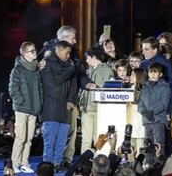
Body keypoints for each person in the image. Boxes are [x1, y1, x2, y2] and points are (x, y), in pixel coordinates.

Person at [40, 40, 77, 168]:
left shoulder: (69, 65)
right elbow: (54, 82)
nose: (68, 56)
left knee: (61, 141)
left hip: (65, 109)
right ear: (59, 50)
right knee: (50, 141)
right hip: (51, 108)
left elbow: (73, 84)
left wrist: (71, 100)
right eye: (66, 53)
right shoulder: (47, 64)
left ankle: (57, 163)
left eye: (69, 53)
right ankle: (47, 165)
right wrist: (70, 69)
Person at [9, 41, 43, 174]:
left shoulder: (35, 69)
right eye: (32, 51)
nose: (35, 53)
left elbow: (40, 87)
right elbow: (13, 88)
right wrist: (20, 101)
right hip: (22, 108)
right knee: (21, 138)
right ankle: (15, 163)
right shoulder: (18, 69)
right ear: (24, 53)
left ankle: (24, 163)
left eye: (35, 50)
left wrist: (39, 102)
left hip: (34, 108)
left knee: (29, 138)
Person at [80, 48, 115, 154]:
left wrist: (97, 87)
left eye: (88, 58)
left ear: (94, 57)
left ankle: (97, 161)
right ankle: (83, 163)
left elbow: (110, 88)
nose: (86, 60)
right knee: (85, 139)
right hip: (87, 108)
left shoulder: (107, 70)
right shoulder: (88, 70)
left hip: (99, 109)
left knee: (98, 137)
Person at [138, 63, 171, 154]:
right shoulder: (144, 87)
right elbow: (140, 103)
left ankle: (159, 162)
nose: (152, 74)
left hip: (158, 120)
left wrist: (152, 112)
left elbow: (163, 104)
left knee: (158, 143)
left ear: (160, 74)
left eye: (155, 72)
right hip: (147, 120)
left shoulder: (165, 87)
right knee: (148, 144)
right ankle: (148, 162)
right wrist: (144, 112)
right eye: (150, 72)